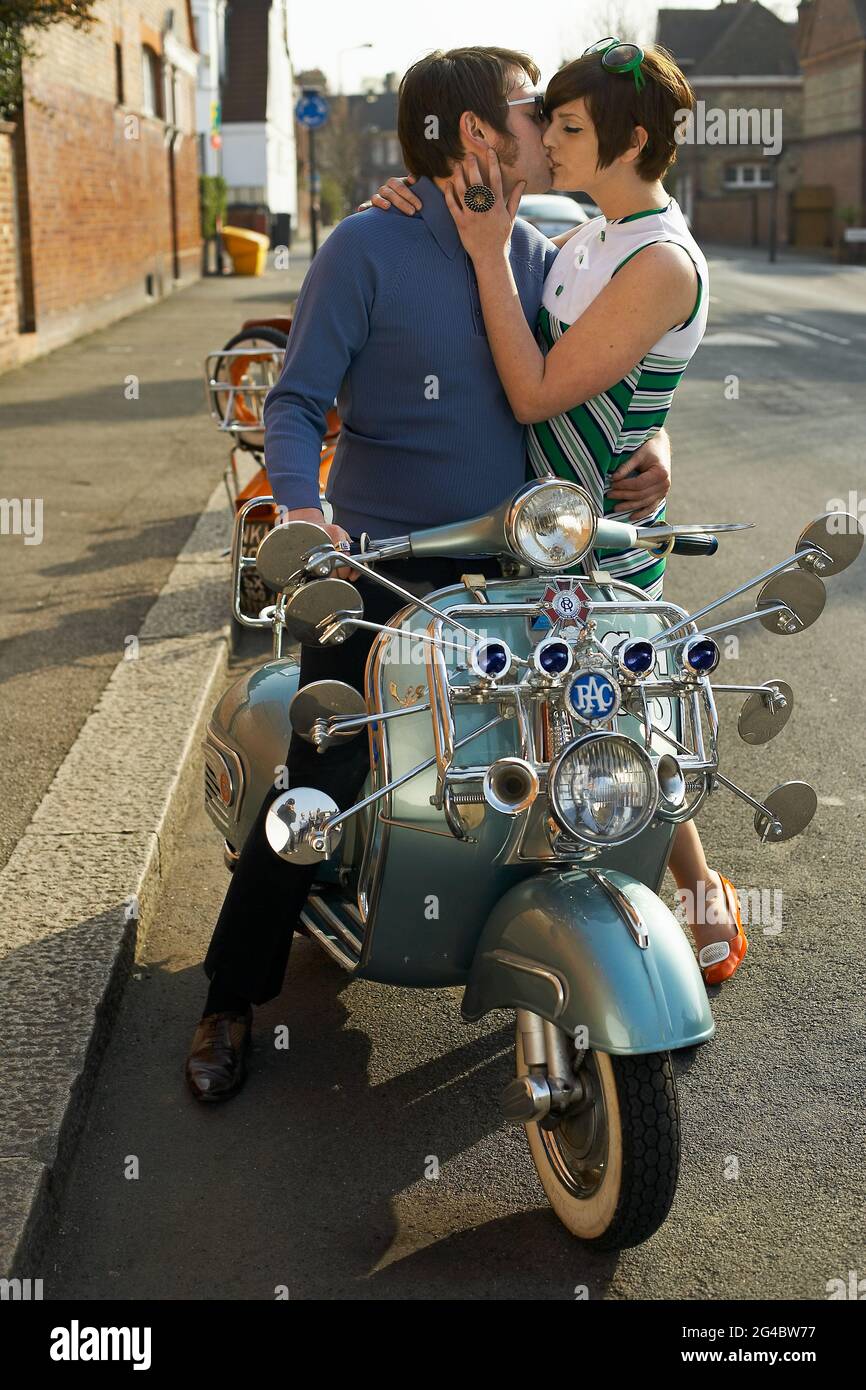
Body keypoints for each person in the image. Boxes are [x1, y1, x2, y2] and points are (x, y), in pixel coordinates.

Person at [184, 46, 673, 1103]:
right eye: (526, 107)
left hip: (516, 558)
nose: (547, 120)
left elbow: (600, 374)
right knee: (323, 773)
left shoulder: (542, 249)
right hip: (387, 561)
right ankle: (230, 993)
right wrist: (303, 519)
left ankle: (598, 962)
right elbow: (295, 402)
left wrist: (659, 442)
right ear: (471, 136)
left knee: (597, 733)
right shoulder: (364, 245)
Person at [369, 40, 748, 987]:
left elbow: (539, 393)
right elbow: (634, 384)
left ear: (628, 141)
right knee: (566, 714)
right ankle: (564, 891)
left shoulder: (659, 258)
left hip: (602, 540)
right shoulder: (586, 233)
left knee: (621, 717)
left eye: (569, 127)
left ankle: (696, 889)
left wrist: (491, 254)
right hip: (544, 530)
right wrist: (405, 195)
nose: (548, 139)